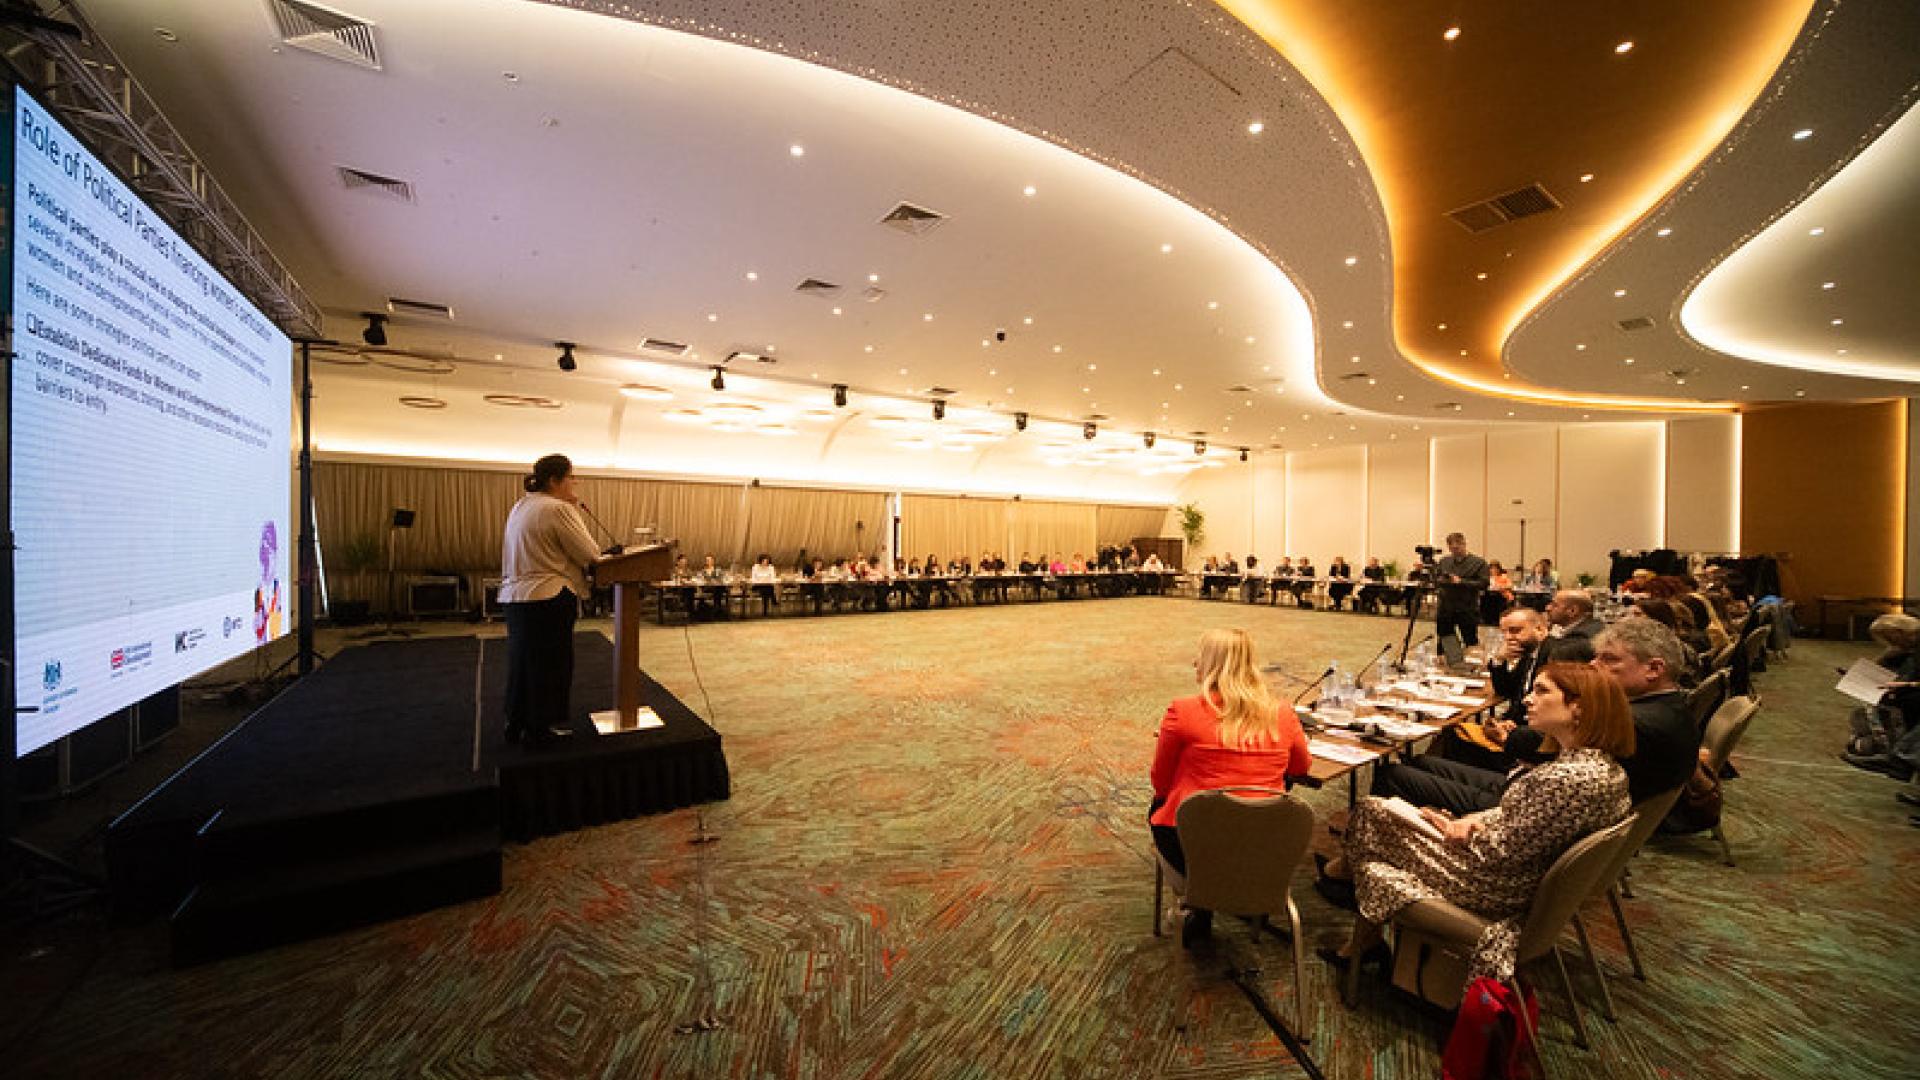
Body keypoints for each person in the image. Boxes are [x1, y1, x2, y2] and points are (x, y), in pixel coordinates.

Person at [1317, 663, 1633, 981]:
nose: (1526, 699)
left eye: (1541, 691)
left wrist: (1457, 829)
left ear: (1578, 707)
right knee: (1387, 821)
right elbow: (1523, 823)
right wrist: (1472, 822)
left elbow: (1501, 853)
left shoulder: (1567, 779)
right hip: (1517, 879)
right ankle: (1354, 914)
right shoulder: (1600, 769)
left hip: (1491, 886)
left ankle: (1341, 878)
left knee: (1371, 813)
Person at [1149, 629, 1313, 945]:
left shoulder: (1181, 711)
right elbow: (1301, 769)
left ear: (1211, 664)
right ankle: (1247, 893)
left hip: (1193, 843)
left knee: (1164, 807)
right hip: (1265, 845)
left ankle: (1199, 904)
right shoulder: (1284, 713)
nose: (1194, 662)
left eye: (1201, 655)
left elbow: (1160, 782)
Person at [500, 454, 605, 746]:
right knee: (551, 665)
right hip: (548, 596)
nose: (576, 482)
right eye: (572, 477)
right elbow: (589, 553)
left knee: (522, 662)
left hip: (516, 597)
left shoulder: (520, 506)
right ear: (554, 480)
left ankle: (516, 719)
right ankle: (542, 727)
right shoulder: (558, 508)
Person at [1434, 532, 1489, 648]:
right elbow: (1436, 579)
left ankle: (1472, 663)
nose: (1454, 550)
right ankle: (1451, 662)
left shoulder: (1479, 563)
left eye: (1457, 547)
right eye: (1451, 547)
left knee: (1470, 640)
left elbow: (1484, 583)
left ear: (1464, 544)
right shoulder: (1444, 561)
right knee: (1446, 639)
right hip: (1446, 607)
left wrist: (1461, 582)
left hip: (1467, 607)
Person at [1543, 589, 1604, 663]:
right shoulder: (1595, 625)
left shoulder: (1578, 639)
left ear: (1572, 611)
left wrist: (1543, 638)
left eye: (1554, 605)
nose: (1547, 608)